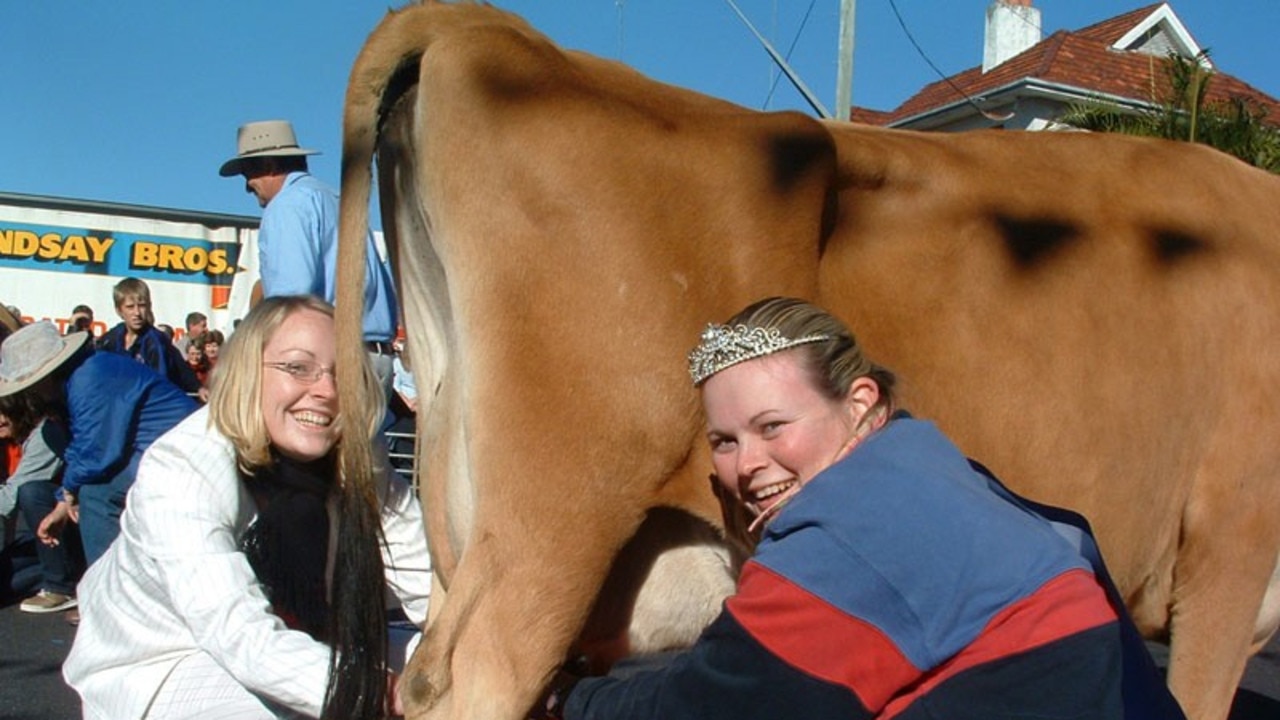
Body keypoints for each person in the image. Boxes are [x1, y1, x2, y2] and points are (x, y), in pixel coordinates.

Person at [538, 297, 1183, 720]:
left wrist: (570, 699)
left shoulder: (842, 544)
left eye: (773, 426)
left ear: (858, 402)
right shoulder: (932, 469)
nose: (748, 464)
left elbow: (711, 708)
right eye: (724, 442)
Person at [63, 295, 432, 720]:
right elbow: (240, 636)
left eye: (343, 373)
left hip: (302, 631)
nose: (327, 391)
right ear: (246, 373)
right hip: (165, 661)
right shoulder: (183, 469)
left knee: (452, 667)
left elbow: (423, 577)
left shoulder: (360, 456)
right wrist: (383, 693)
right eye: (297, 367)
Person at [219, 119, 400, 395]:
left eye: (248, 174)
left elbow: (290, 298)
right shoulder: (336, 201)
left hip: (331, 359)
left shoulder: (287, 206)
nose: (247, 186)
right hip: (376, 359)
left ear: (268, 166)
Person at [0, 320, 198, 565]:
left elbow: (97, 453)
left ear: (46, 376)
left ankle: (110, 588)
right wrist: (65, 500)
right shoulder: (85, 375)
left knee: (96, 495)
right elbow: (83, 446)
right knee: (90, 489)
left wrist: (68, 493)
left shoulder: (88, 379)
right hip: (161, 449)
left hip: (180, 452)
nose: (30, 394)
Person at [0, 390, 83, 615]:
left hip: (70, 522)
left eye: (2, 412)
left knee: (31, 491)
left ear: (18, 408)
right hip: (51, 533)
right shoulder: (17, 440)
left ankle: (61, 584)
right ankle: (71, 573)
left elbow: (8, 500)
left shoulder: (45, 436)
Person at [97, 277, 200, 393]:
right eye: (130, 307)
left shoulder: (156, 342)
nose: (137, 313)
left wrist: (198, 388)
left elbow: (161, 385)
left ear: (149, 306)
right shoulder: (111, 338)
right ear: (119, 310)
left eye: (142, 305)